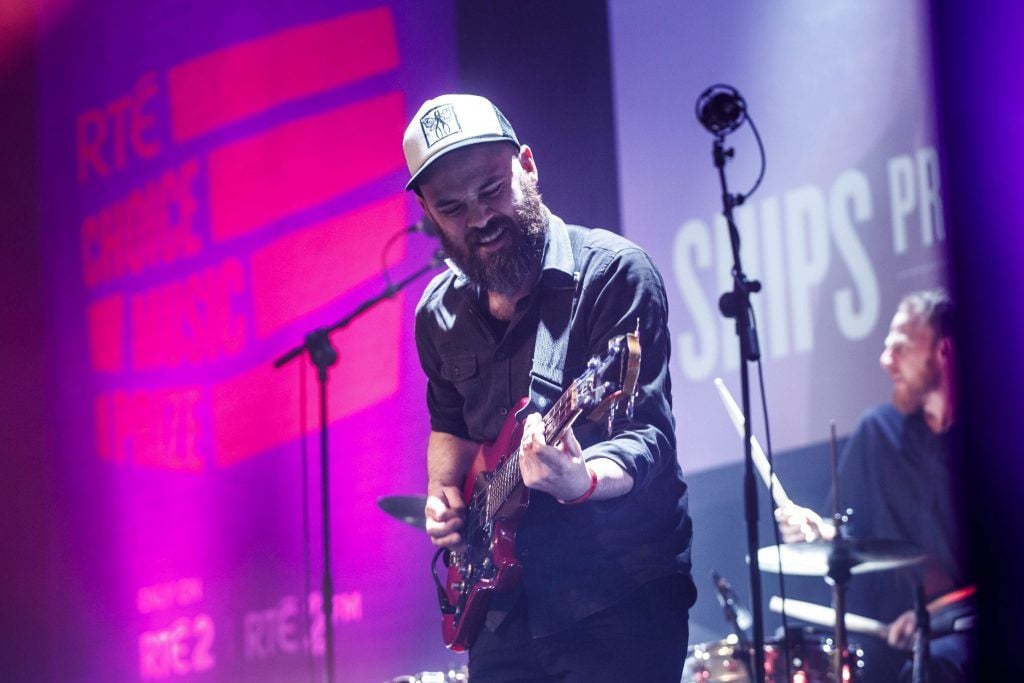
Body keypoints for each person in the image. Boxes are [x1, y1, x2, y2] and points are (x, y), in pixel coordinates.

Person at [405, 93, 694, 681]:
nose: (481, 219)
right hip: (500, 610)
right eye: (453, 207)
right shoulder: (437, 314)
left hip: (614, 598)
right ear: (430, 217)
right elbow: (450, 425)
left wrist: (580, 480)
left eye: (491, 190)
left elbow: (645, 436)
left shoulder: (613, 274)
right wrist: (443, 493)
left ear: (527, 167)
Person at [776, 289, 974, 682]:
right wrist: (819, 531)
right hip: (902, 634)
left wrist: (935, 614)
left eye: (900, 348)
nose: (886, 361)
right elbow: (853, 535)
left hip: (971, 626)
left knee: (933, 668)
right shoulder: (878, 432)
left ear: (944, 352)